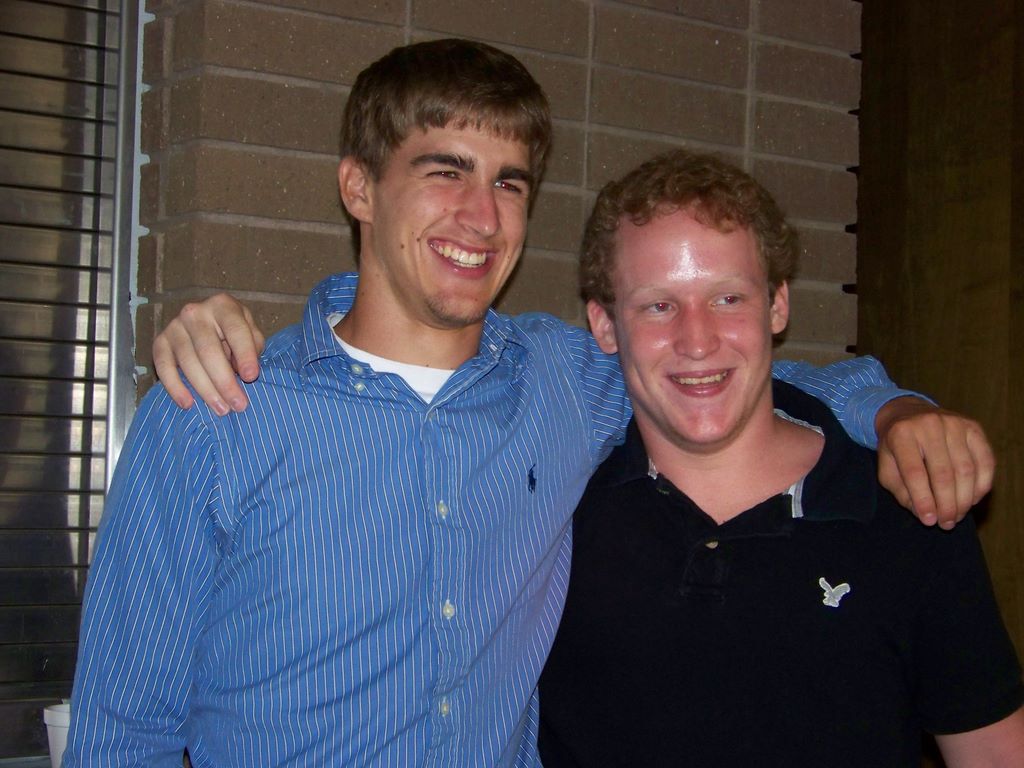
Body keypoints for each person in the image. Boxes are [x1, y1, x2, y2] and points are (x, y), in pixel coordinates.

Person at [67, 39, 993, 766]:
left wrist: (893, 407)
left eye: (508, 182)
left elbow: (723, 368)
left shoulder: (562, 378)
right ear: (359, 187)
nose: (482, 216)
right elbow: (122, 732)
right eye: (445, 170)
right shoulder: (216, 412)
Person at [536, 149, 1024, 766]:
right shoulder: (554, 515)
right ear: (605, 326)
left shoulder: (907, 505)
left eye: (728, 299)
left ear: (777, 306)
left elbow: (993, 753)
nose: (697, 340)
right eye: (659, 305)